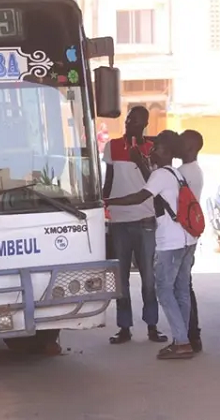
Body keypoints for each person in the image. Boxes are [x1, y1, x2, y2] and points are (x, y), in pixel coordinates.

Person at [105, 130, 196, 359]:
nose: (151, 151)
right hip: (188, 240)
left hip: (172, 242)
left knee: (164, 290)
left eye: (156, 149)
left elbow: (138, 197)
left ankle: (182, 342)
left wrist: (107, 201)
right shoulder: (176, 173)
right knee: (181, 291)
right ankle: (182, 339)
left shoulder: (160, 175)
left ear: (165, 151)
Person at [102, 106, 167, 345]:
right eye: (129, 120)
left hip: (145, 220)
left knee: (148, 278)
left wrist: (139, 160)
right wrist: (102, 205)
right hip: (119, 220)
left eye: (137, 122)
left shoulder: (152, 150)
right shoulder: (112, 146)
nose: (130, 124)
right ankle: (124, 328)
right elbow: (108, 180)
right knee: (121, 280)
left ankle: (152, 326)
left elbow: (154, 185)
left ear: (145, 126)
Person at [176, 130, 204, 352]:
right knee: (185, 285)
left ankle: (189, 334)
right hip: (190, 234)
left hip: (182, 236)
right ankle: (192, 334)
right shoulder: (194, 170)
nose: (177, 143)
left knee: (182, 286)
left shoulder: (182, 172)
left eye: (181, 141)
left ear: (192, 148)